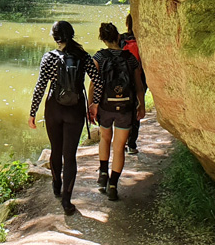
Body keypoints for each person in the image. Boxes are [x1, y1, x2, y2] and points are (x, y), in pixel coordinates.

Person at [28, 21, 104, 215]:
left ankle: (56, 184)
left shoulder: (49, 58)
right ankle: (67, 201)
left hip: (54, 108)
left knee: (56, 149)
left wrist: (32, 113)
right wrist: (93, 104)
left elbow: (40, 87)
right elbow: (98, 81)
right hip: (75, 110)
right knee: (69, 155)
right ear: (72, 35)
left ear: (55, 38)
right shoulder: (83, 56)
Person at [89, 22, 145, 201]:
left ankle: (102, 175)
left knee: (105, 138)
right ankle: (113, 185)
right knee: (119, 147)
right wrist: (141, 105)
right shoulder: (130, 58)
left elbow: (93, 84)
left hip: (106, 107)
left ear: (102, 39)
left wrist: (91, 105)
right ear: (118, 37)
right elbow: (139, 85)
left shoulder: (99, 57)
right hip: (126, 107)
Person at [118, 14, 145, 154]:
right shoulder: (143, 40)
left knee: (123, 109)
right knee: (136, 110)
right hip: (139, 79)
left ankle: (120, 143)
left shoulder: (121, 39)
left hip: (122, 81)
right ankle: (132, 144)